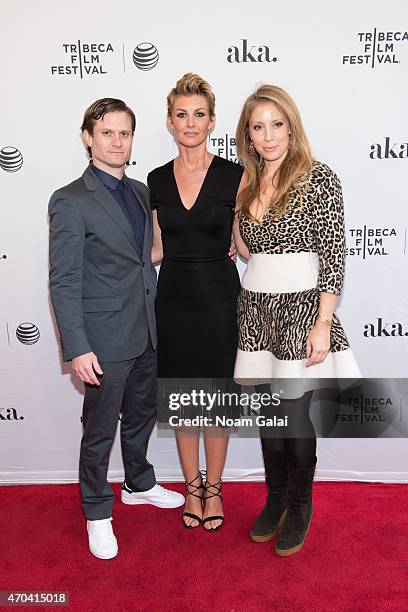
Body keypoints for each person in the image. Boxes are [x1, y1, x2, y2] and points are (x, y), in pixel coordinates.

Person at [48, 98, 184, 560]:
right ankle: (96, 512)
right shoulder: (69, 200)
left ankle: (138, 483)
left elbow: (143, 258)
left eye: (124, 133)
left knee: (143, 415)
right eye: (107, 132)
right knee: (100, 429)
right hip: (103, 339)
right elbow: (63, 280)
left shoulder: (143, 193)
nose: (117, 141)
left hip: (146, 330)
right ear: (88, 137)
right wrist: (77, 346)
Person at [233, 85, 361, 556]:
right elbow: (251, 247)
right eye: (257, 127)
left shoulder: (318, 178)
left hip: (302, 307)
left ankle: (302, 504)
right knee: (269, 414)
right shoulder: (245, 181)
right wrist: (236, 242)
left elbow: (332, 254)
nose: (267, 136)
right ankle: (277, 497)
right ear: (247, 134)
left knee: (293, 414)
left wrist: (323, 321)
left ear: (292, 125)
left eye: (276, 124)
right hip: (256, 308)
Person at [148, 74, 244, 531]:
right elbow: (155, 250)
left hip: (221, 301)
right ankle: (193, 487)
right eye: (181, 114)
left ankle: (216, 488)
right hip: (174, 302)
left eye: (198, 114)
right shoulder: (154, 180)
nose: (190, 123)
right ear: (170, 121)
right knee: (185, 400)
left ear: (212, 121)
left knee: (218, 401)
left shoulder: (234, 176)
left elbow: (245, 245)